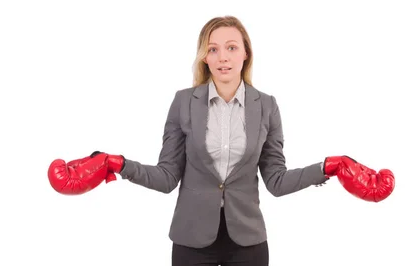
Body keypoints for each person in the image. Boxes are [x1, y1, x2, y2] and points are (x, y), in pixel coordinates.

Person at [47, 15, 394, 266]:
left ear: (246, 54)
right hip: (191, 240)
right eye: (213, 49)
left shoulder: (267, 106)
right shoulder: (184, 101)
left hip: (248, 243)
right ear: (205, 57)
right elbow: (168, 177)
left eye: (231, 47)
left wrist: (328, 168)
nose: (223, 56)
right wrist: (118, 164)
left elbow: (275, 180)